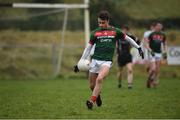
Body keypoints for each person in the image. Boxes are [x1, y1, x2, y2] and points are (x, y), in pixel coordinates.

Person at [74, 10, 144, 109]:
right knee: (91, 86)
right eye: (99, 22)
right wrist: (79, 63)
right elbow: (88, 48)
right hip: (95, 61)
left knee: (100, 79)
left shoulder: (115, 31)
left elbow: (128, 39)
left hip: (106, 62)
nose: (101, 24)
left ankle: (91, 102)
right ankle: (97, 96)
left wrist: (138, 47)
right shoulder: (95, 33)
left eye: (103, 22)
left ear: (108, 21)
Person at [145, 22, 167, 88]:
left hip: (159, 53)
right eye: (158, 26)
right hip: (152, 53)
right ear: (155, 27)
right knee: (153, 69)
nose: (159, 27)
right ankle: (149, 79)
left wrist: (165, 51)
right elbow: (146, 43)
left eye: (161, 26)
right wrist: (150, 50)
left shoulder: (163, 35)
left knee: (157, 69)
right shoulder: (151, 34)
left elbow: (165, 44)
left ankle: (153, 81)